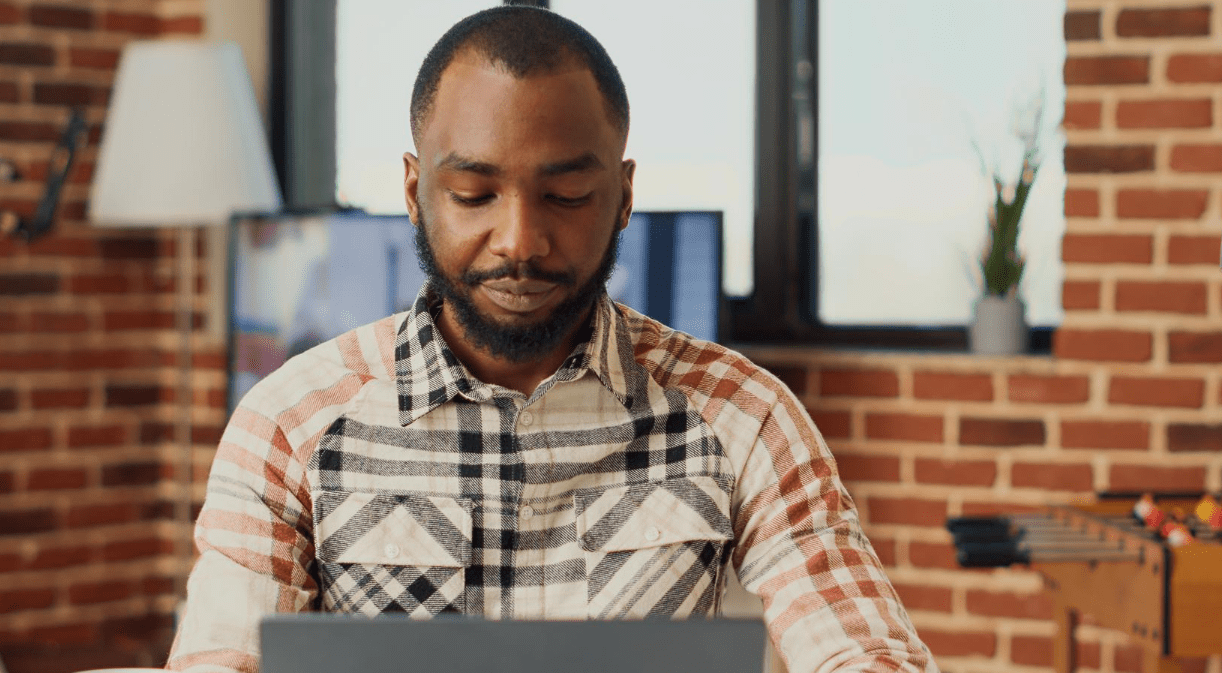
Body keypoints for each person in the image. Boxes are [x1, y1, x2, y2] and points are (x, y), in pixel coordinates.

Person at [166, 6, 936, 672]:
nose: (520, 240)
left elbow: (860, 645)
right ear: (413, 191)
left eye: (566, 195)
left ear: (624, 195)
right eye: (474, 194)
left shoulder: (744, 416)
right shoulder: (289, 424)